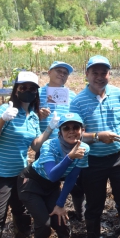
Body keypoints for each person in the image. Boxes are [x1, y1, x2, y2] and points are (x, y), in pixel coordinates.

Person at [0, 71, 59, 238]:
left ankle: (20, 234)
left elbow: (35, 145)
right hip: (0, 173)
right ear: (16, 90)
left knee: (20, 208)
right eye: (23, 87)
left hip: (20, 173)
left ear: (36, 92)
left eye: (31, 88)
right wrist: (2, 121)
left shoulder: (33, 116)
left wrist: (50, 128)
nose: (27, 91)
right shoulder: (4, 110)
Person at [69, 55, 120, 238]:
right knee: (94, 202)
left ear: (110, 74)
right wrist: (97, 136)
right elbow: (73, 136)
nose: (100, 77)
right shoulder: (78, 102)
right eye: (95, 73)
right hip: (91, 160)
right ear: (87, 74)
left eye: (104, 73)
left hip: (119, 157)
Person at [18, 113, 89, 238]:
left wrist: (60, 204)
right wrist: (70, 157)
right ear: (60, 132)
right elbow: (53, 174)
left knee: (60, 218)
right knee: (44, 224)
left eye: (75, 127)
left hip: (51, 186)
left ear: (82, 130)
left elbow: (71, 178)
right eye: (66, 128)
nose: (71, 131)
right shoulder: (49, 145)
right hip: (31, 184)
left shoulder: (85, 149)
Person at [37, 61, 86, 220]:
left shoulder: (72, 95)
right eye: (58, 71)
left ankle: (80, 212)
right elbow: (27, 117)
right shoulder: (38, 94)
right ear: (49, 72)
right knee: (48, 182)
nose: (62, 74)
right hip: (46, 146)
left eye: (65, 73)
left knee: (77, 183)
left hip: (68, 146)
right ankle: (47, 214)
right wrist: (37, 113)